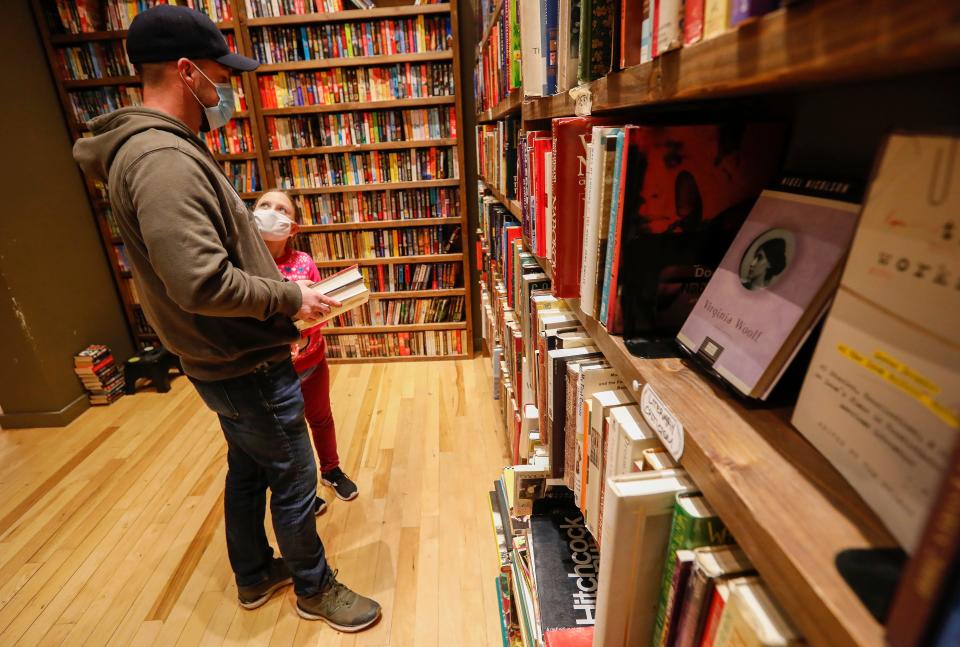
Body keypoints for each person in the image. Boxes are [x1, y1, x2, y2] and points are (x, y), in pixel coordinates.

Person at [72, 5, 380, 632]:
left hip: (223, 359)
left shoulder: (156, 151)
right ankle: (315, 589)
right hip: (243, 361)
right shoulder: (161, 159)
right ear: (187, 72)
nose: (228, 89)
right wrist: (291, 299)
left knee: (249, 471)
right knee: (294, 477)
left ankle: (253, 573)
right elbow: (200, 279)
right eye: (221, 73)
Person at [252, 190, 359, 508]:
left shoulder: (304, 263)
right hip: (271, 373)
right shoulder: (247, 266)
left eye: (280, 208)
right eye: (264, 206)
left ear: (292, 226)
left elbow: (320, 309)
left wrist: (302, 328)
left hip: (312, 362)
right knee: (286, 432)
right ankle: (301, 488)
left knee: (321, 418)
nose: (271, 212)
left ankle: (331, 469)